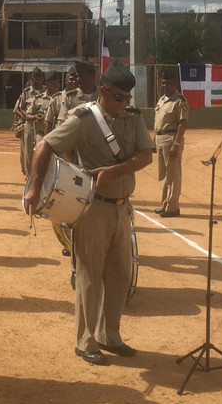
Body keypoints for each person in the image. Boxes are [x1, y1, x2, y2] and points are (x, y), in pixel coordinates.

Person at [24, 59, 153, 365]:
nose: (124, 103)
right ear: (104, 92)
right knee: (90, 276)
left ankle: (109, 335)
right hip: (93, 207)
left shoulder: (133, 117)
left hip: (122, 208)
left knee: (120, 275)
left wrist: (114, 171)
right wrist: (34, 187)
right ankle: (85, 340)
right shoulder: (84, 118)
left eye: (127, 98)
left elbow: (146, 156)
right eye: (119, 97)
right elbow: (44, 146)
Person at [154, 67, 189, 219]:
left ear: (174, 83)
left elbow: (182, 123)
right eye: (163, 83)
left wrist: (176, 143)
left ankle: (173, 207)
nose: (165, 86)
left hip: (171, 139)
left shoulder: (180, 101)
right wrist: (154, 137)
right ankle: (165, 204)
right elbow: (158, 121)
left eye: (168, 83)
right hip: (160, 139)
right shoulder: (161, 100)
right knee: (163, 174)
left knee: (173, 174)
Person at [13, 68, 45, 175]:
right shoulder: (26, 93)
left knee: (42, 150)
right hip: (29, 125)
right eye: (36, 79)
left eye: (40, 79)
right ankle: (29, 174)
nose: (39, 81)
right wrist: (26, 117)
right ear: (32, 79)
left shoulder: (46, 91)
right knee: (28, 152)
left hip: (42, 126)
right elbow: (18, 108)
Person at [57, 60, 98, 126]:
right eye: (77, 76)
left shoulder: (103, 96)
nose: (78, 79)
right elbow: (61, 123)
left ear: (92, 76)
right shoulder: (70, 98)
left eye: (82, 76)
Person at [46, 66, 79, 134]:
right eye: (71, 79)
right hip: (60, 134)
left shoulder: (82, 98)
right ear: (66, 81)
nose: (74, 82)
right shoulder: (56, 98)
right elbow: (48, 122)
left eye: (76, 80)